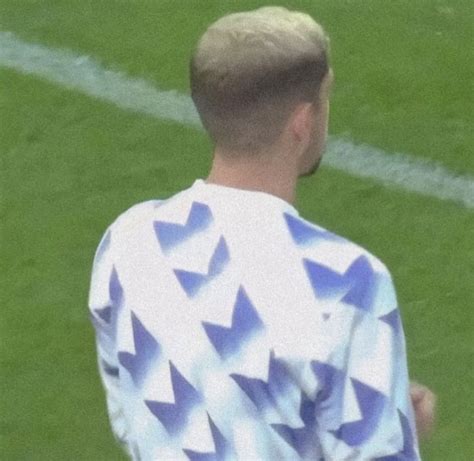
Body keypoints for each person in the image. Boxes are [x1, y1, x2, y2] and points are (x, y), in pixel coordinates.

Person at [88, 6, 436, 460]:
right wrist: (394, 424)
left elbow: (139, 424)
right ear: (302, 121)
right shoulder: (347, 283)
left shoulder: (128, 244)